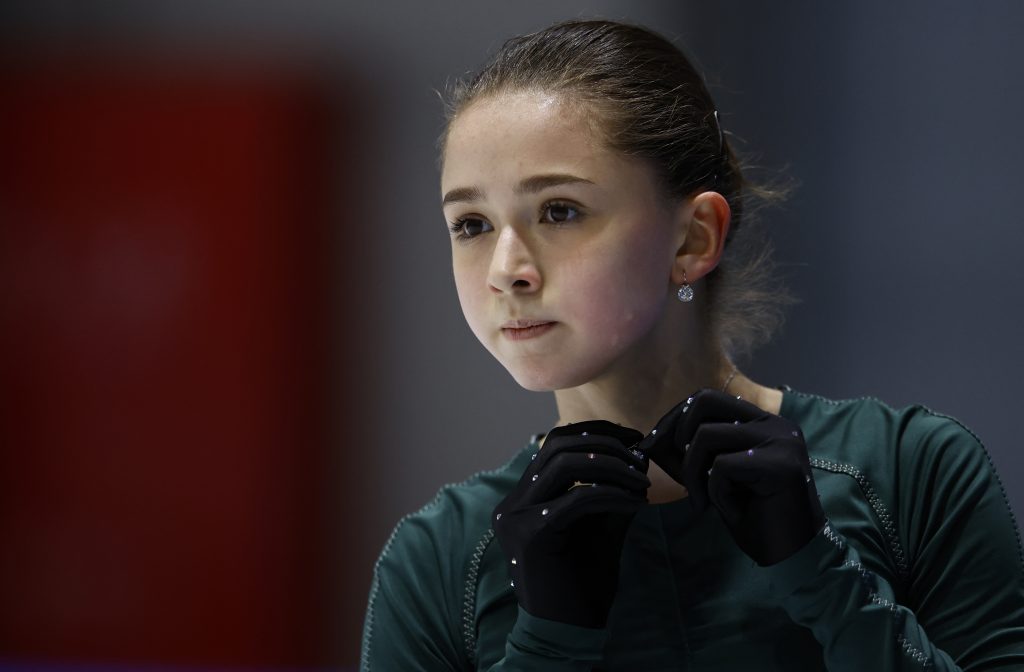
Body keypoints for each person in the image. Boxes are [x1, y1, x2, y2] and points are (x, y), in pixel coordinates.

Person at [360, 19, 1024, 671]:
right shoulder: (437, 557)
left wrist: (820, 573)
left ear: (695, 237)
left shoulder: (910, 471)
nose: (507, 270)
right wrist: (548, 645)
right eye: (471, 224)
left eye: (560, 211)